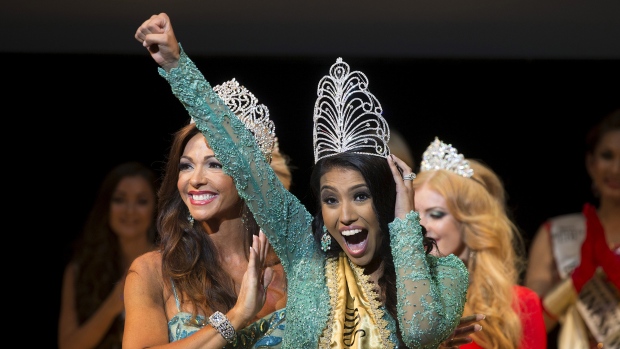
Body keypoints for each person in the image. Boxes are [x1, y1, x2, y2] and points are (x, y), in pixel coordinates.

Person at [133, 12, 470, 348]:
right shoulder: (305, 254)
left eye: (361, 196)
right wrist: (177, 65)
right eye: (331, 199)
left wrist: (405, 223)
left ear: (388, 196)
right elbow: (244, 160)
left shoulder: (444, 274)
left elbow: (420, 331)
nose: (346, 215)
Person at [123, 74, 294, 348]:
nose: (195, 180)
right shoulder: (153, 272)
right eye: (186, 166)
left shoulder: (292, 272)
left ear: (249, 176)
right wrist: (237, 316)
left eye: (214, 164)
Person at [412, 138, 547, 349]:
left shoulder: (520, 306)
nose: (420, 225)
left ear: (468, 223)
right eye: (414, 215)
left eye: (436, 214)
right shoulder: (399, 300)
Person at [524, 108, 620, 349]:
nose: (616, 169)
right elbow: (527, 327)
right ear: (591, 163)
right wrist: (573, 284)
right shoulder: (555, 233)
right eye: (607, 156)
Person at [58, 161, 159, 349]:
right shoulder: (79, 270)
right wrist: (113, 304)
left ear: (154, 207)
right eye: (120, 199)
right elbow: (68, 345)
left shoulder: (168, 264)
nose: (130, 210)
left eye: (141, 201)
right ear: (107, 206)